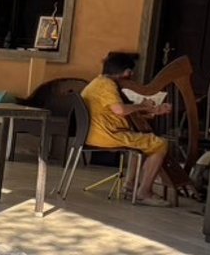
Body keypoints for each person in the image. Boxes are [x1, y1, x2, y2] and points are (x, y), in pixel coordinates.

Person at [81, 51, 192, 204]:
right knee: (159, 143)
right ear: (124, 71)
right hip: (106, 136)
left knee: (137, 138)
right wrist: (142, 105)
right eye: (130, 71)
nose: (132, 75)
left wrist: (152, 110)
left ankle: (130, 185)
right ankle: (144, 192)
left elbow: (115, 112)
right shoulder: (107, 86)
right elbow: (120, 110)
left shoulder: (97, 82)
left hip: (94, 133)